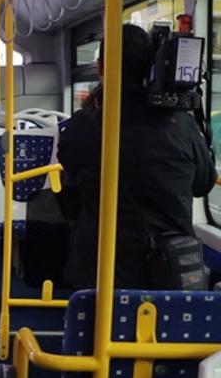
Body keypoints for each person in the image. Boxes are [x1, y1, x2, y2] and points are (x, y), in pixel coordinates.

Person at [58, 24, 217, 289]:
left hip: (101, 275)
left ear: (100, 68)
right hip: (170, 276)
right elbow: (203, 183)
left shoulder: (81, 128)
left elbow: (72, 180)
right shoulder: (181, 124)